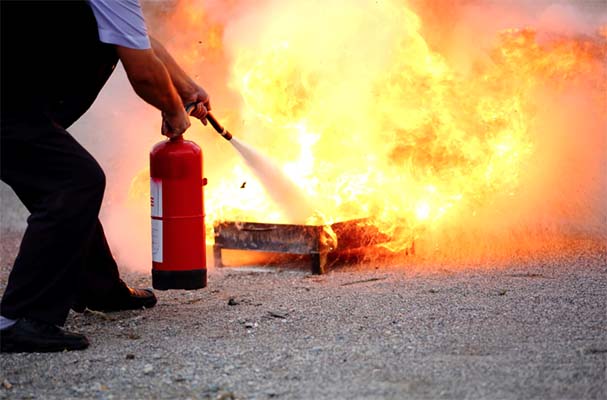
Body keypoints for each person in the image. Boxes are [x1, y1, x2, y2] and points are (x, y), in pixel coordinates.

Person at [0, 0, 210, 353]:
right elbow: (142, 71)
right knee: (74, 182)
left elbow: (136, 37)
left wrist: (187, 89)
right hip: (10, 104)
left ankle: (97, 286)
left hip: (19, 101)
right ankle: (17, 319)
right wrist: (174, 109)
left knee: (67, 180)